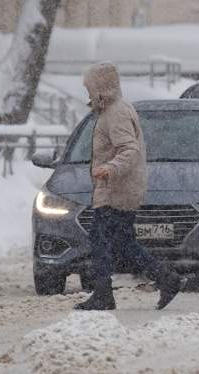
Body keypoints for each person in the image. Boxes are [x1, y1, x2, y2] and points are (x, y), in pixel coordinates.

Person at [75, 62, 181, 311]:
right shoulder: (113, 110)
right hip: (118, 187)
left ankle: (104, 294)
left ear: (102, 88)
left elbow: (129, 149)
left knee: (100, 240)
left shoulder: (116, 113)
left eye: (90, 88)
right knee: (122, 243)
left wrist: (109, 168)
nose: (88, 94)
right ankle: (166, 278)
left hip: (116, 189)